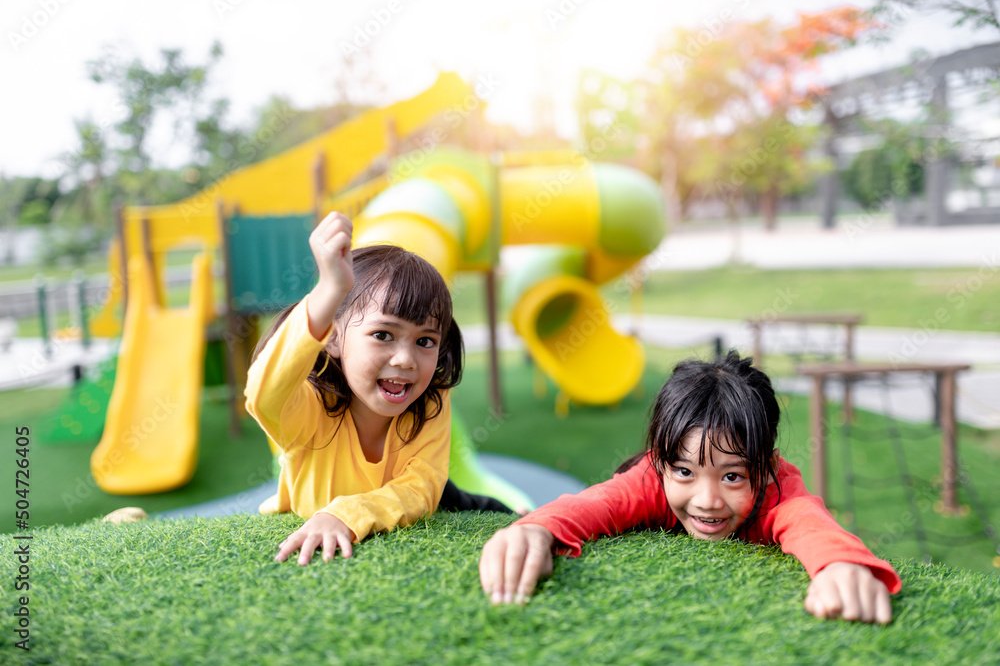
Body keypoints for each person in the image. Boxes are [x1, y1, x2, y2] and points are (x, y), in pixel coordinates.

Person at [479, 351, 902, 624]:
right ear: (662, 460)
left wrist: (838, 566)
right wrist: (537, 529)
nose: (707, 501)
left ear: (765, 465)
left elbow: (808, 521)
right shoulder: (651, 477)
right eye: (685, 471)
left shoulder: (776, 487)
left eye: (732, 476)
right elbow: (596, 503)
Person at [245, 212, 509, 566]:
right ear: (335, 338)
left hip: (447, 499)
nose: (405, 359)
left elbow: (422, 489)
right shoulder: (308, 408)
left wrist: (347, 514)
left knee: (497, 513)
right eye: (383, 335)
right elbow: (264, 394)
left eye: (425, 341)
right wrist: (328, 292)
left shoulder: (430, 400)